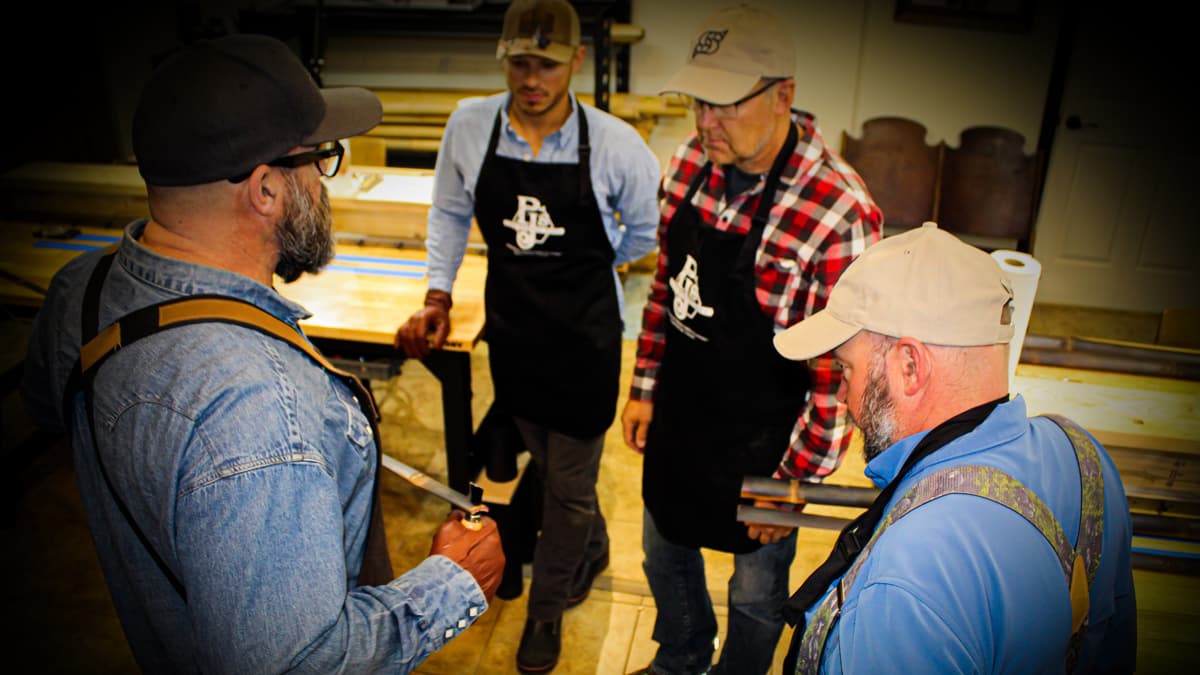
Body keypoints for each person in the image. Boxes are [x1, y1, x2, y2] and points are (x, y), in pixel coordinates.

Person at [21, 34, 505, 674]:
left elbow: (51, 413)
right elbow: (298, 665)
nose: (325, 184)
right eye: (321, 161)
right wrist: (449, 583)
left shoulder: (79, 291)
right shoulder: (258, 410)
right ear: (267, 190)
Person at [392, 0, 661, 671]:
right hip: (514, 332)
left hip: (583, 343)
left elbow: (646, 234)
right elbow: (451, 213)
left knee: (566, 486)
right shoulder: (470, 125)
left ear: (576, 60)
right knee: (546, 457)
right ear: (504, 59)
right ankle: (591, 541)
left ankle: (544, 616)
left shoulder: (618, 146)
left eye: (546, 62)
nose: (531, 76)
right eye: (519, 61)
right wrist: (437, 294)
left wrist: (586, 267)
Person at [620, 5, 883, 674]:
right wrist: (645, 385)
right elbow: (665, 290)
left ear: (783, 95)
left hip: (764, 441)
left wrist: (794, 480)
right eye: (698, 102)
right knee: (662, 548)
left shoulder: (836, 210)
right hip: (681, 414)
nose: (705, 121)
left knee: (757, 592)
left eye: (725, 104)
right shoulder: (688, 161)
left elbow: (838, 376)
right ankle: (681, 653)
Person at [772, 223, 1137, 673]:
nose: (844, 399)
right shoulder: (1083, 456)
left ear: (910, 366)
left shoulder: (905, 579)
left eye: (846, 371)